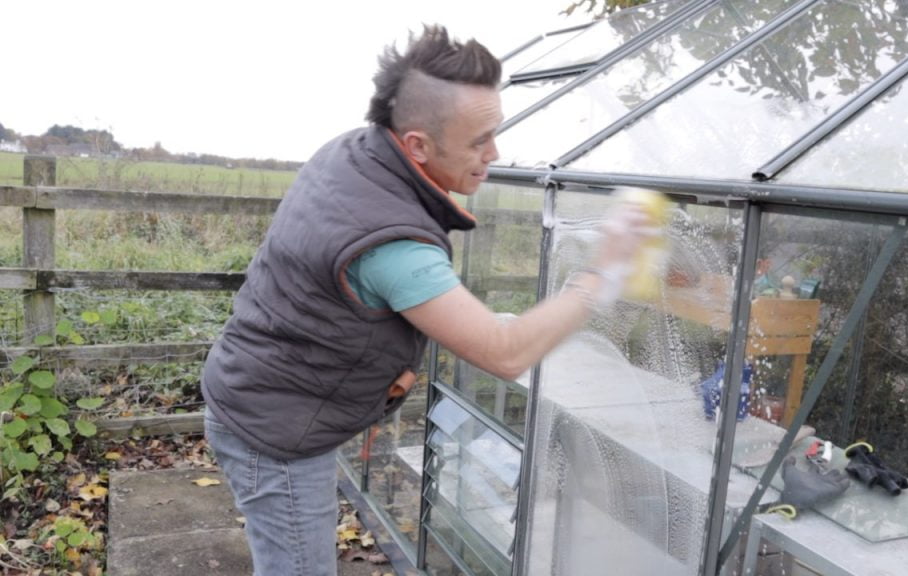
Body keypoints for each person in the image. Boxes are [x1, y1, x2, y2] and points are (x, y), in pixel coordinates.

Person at [201, 24, 652, 576]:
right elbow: (505, 353)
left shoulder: (356, 153)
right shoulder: (391, 243)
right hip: (275, 432)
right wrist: (603, 272)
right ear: (417, 143)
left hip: (257, 391)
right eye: (478, 140)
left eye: (496, 133)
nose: (494, 153)